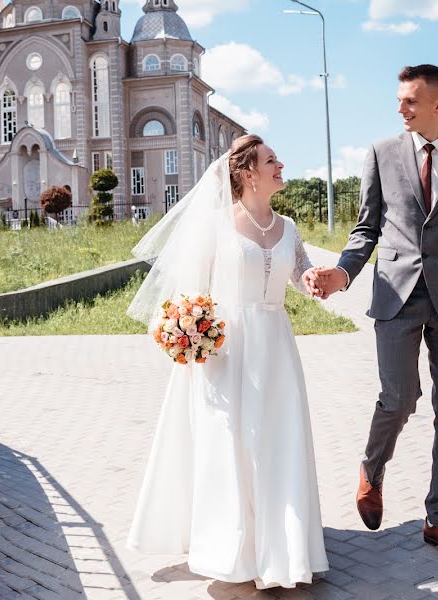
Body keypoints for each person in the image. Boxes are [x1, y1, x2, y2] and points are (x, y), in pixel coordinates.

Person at [305, 64, 438, 562]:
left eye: (411, 101)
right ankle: (371, 472)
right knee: (398, 399)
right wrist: (342, 273)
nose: (401, 108)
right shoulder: (381, 153)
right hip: (395, 295)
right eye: (400, 100)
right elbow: (366, 230)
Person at [126, 134, 329, 587]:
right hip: (227, 349)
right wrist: (189, 329)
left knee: (278, 438)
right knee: (232, 442)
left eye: (277, 159)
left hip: (276, 345)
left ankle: (283, 547)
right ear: (246, 172)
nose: (280, 165)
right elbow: (187, 289)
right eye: (271, 160)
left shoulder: (289, 227)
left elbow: (300, 277)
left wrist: (316, 278)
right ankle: (232, 547)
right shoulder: (217, 225)